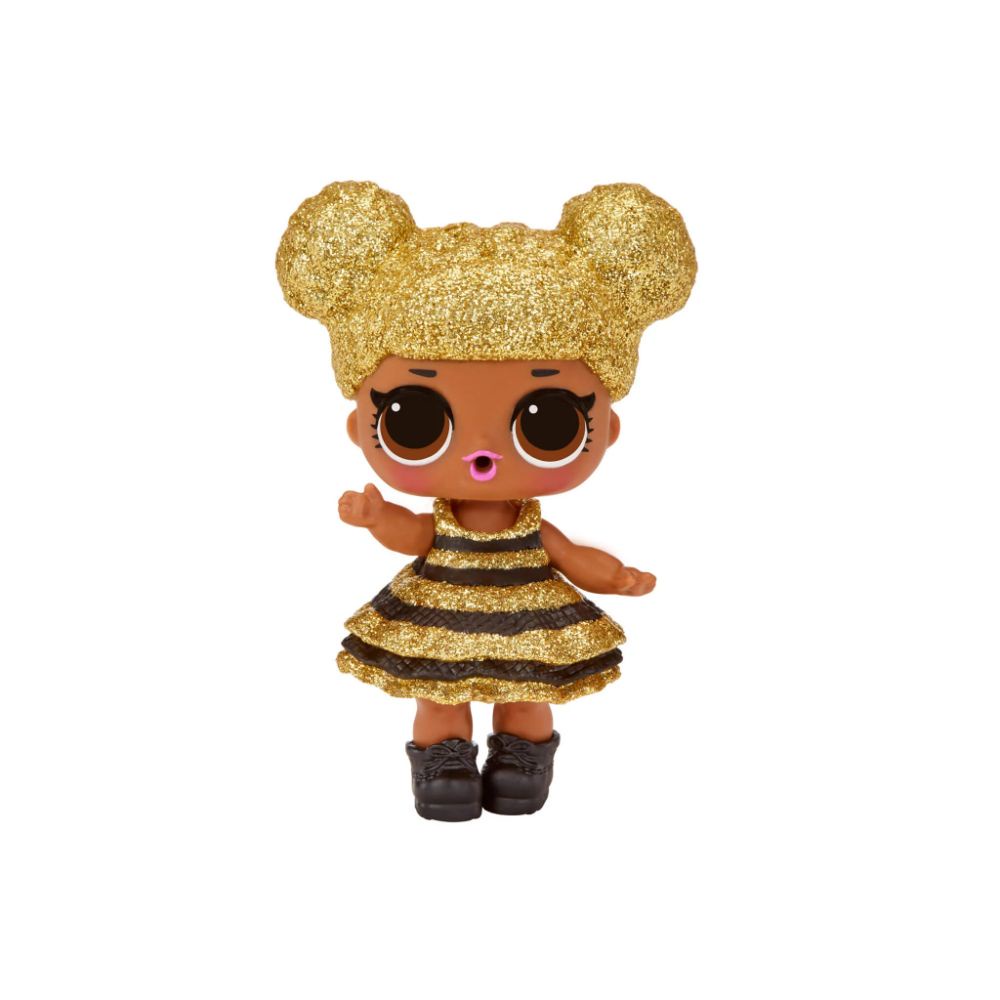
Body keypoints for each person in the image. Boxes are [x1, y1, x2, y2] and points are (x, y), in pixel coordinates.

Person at [276, 180, 696, 820]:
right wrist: (377, 518)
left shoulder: (532, 529)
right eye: (414, 420)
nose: (481, 455)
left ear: (607, 428)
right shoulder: (447, 522)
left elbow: (571, 556)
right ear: (359, 425)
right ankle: (442, 762)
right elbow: (415, 535)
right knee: (438, 696)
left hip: (530, 623)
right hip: (439, 619)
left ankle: (523, 758)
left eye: (547, 424)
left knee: (527, 694)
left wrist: (614, 576)